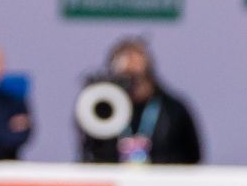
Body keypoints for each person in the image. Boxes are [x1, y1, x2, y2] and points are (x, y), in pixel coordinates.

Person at [78, 37, 202, 165]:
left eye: (137, 77)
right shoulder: (102, 108)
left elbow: (193, 156)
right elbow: (89, 153)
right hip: (115, 180)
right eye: (124, 79)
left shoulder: (173, 110)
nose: (132, 85)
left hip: (161, 180)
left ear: (149, 74)